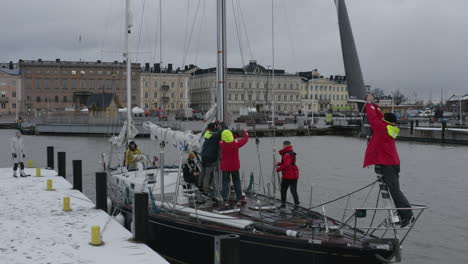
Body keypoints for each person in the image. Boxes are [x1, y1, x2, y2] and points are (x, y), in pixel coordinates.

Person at [364, 94, 414, 227]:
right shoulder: (388, 128)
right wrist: (375, 105)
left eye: (383, 118)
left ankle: (407, 215)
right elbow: (379, 117)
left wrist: (369, 104)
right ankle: (403, 213)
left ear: (386, 121)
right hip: (391, 163)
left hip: (388, 164)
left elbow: (374, 119)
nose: (382, 118)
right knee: (394, 189)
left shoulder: (382, 128)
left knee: (394, 190)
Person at [219, 128, 249, 206]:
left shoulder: (222, 144)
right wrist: (245, 132)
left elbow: (222, 140)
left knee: (225, 183)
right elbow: (245, 140)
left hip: (225, 166)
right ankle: (239, 199)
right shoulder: (236, 143)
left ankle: (225, 200)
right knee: (236, 182)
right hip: (234, 166)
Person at [276, 140, 300, 209]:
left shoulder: (286, 154)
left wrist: (278, 169)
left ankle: (283, 205)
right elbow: (290, 162)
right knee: (293, 190)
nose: (282, 147)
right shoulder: (291, 153)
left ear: (285, 145)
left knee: (283, 190)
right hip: (295, 175)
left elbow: (287, 164)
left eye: (283, 145)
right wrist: (280, 163)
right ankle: (297, 204)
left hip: (288, 175)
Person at [199, 123, 220, 192]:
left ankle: (199, 185)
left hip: (204, 156)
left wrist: (215, 128)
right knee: (208, 174)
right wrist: (219, 127)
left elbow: (212, 132)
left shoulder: (206, 134)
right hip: (211, 157)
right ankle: (206, 189)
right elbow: (220, 133)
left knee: (203, 172)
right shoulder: (216, 136)